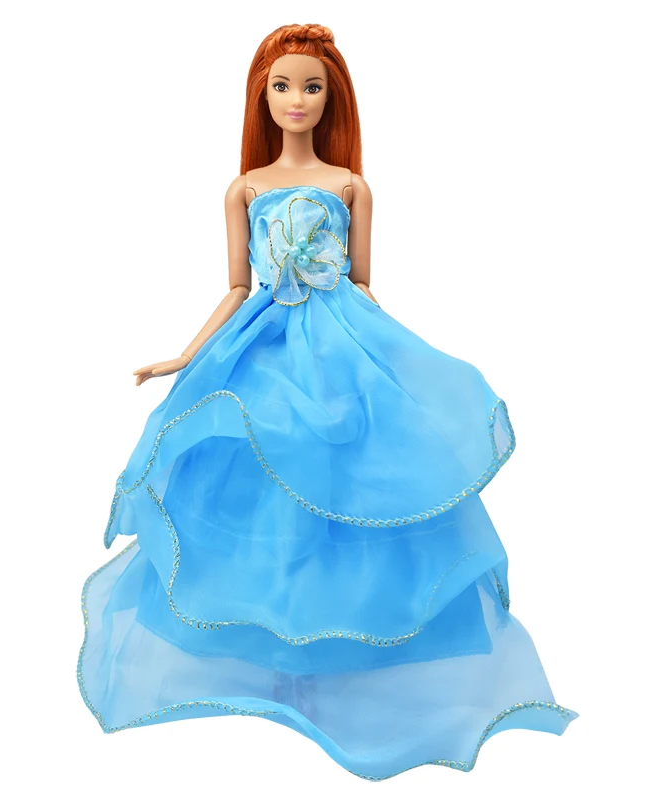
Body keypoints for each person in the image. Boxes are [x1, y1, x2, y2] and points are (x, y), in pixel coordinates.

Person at [77, 23, 578, 781]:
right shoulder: (245, 188)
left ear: (331, 97)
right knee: (255, 482)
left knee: (343, 481)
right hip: (258, 348)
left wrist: (399, 359)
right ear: (262, 96)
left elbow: (365, 283)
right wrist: (186, 354)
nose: (297, 100)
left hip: (341, 345)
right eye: (282, 86)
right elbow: (237, 285)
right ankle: (271, 654)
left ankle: (337, 657)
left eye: (311, 87)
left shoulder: (351, 186)